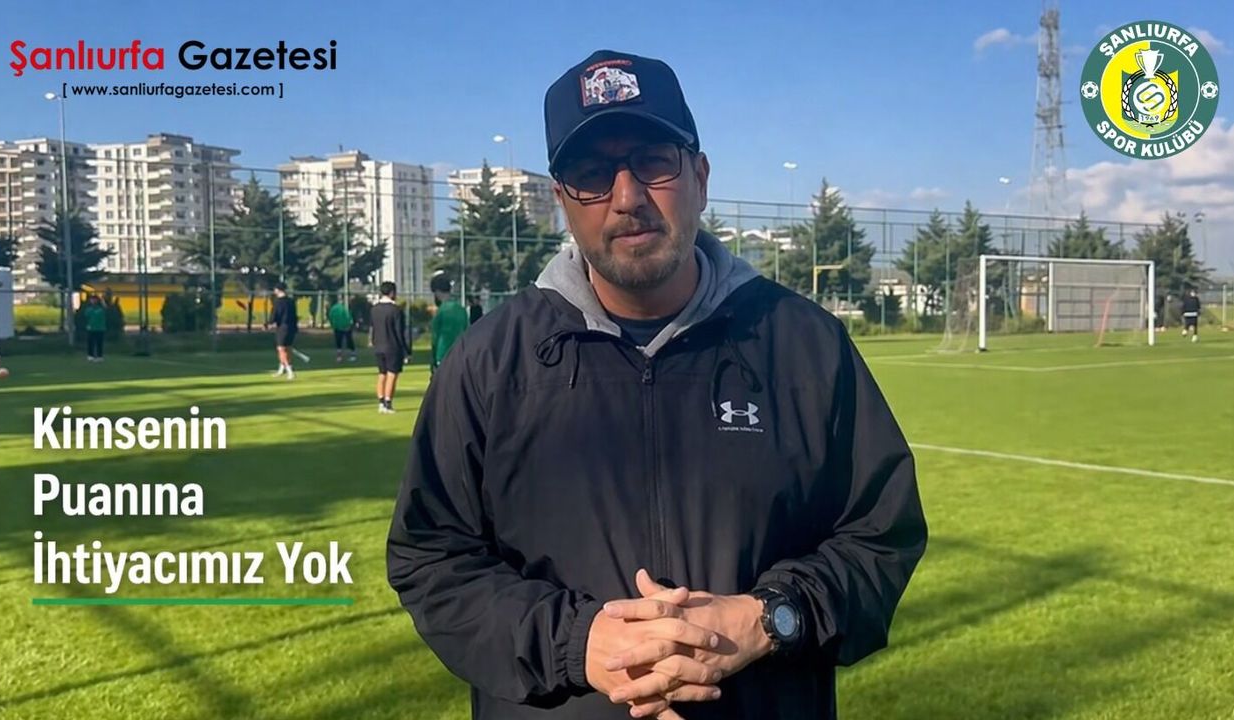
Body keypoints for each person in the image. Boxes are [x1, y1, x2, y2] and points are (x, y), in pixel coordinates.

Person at [388, 50, 927, 720]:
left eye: (652, 161)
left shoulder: (804, 345)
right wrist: (576, 643)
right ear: (562, 200)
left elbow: (881, 532)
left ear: (699, 176)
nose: (627, 197)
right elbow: (432, 558)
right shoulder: (490, 362)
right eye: (592, 174)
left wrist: (771, 617)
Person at [370, 281, 410, 414]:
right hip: (392, 346)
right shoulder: (396, 310)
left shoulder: (374, 309)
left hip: (378, 345)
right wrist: (406, 350)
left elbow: (373, 328)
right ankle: (388, 403)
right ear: (392, 293)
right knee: (392, 374)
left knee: (382, 374)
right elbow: (400, 332)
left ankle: (381, 402)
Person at [429, 274, 469, 374]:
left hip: (442, 354)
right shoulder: (462, 310)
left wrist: (433, 360)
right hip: (460, 354)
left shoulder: (441, 311)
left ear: (437, 292)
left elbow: (435, 338)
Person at [270, 282, 300, 380]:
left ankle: (289, 371)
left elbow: (275, 314)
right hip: (292, 327)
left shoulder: (278, 302)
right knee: (288, 348)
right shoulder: (291, 301)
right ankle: (281, 369)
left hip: (283, 328)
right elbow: (294, 315)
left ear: (278, 290)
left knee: (281, 349)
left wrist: (269, 323)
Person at [329, 295, 358, 363]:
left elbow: (330, 317)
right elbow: (350, 317)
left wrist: (333, 325)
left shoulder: (336, 308)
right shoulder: (344, 307)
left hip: (341, 327)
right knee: (347, 341)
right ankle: (350, 355)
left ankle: (341, 356)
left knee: (340, 342)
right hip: (344, 327)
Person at [84, 295, 107, 363]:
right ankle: (90, 356)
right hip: (91, 329)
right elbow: (86, 317)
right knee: (90, 343)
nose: (93, 301)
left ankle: (100, 356)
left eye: (95, 299)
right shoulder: (89, 309)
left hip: (100, 328)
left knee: (99, 343)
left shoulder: (101, 309)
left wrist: (102, 301)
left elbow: (106, 308)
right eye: (92, 300)